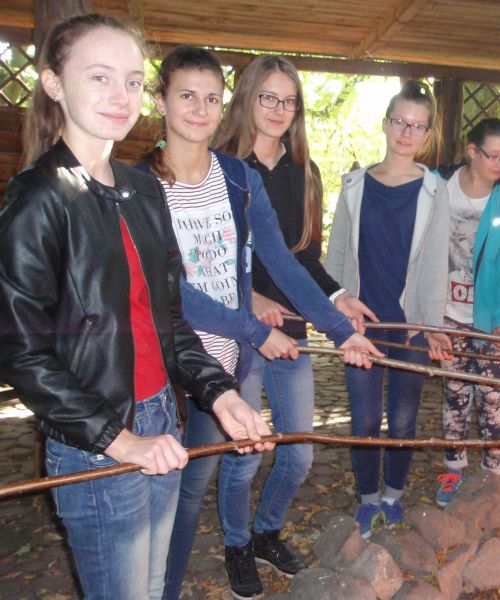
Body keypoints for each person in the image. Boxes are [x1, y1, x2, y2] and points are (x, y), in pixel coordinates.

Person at [0, 15, 271, 600]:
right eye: (99, 77)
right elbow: (21, 354)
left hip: (160, 418)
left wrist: (220, 393)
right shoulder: (37, 199)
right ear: (54, 84)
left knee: (152, 587)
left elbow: (168, 320)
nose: (119, 96)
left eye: (130, 81)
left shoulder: (142, 189)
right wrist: (119, 440)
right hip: (97, 441)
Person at [138, 47, 379, 600]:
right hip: (175, 365)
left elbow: (287, 265)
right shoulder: (140, 186)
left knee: (195, 481)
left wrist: (342, 330)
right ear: (161, 100)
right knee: (176, 490)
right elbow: (167, 292)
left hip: (227, 361)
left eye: (211, 98)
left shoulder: (238, 179)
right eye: (186, 95)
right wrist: (254, 326)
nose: (200, 109)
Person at [211, 55, 377, 581]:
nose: (279, 109)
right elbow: (209, 259)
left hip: (292, 331)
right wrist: (251, 298)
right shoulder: (218, 166)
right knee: (245, 452)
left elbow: (302, 256)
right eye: (269, 97)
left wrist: (339, 296)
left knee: (298, 453)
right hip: (240, 331)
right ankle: (237, 544)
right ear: (247, 98)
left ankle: (266, 533)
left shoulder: (304, 172)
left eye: (289, 100)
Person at [325, 80, 451, 538]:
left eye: (417, 126)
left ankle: (393, 496)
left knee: (402, 419)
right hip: (361, 322)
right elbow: (337, 255)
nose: (406, 132)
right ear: (385, 124)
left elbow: (435, 262)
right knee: (363, 419)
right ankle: (367, 499)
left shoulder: (435, 191)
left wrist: (431, 326)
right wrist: (337, 314)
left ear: (428, 134)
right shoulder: (355, 185)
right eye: (400, 122)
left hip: (409, 326)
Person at [433, 118, 500, 507]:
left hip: (493, 315)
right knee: (455, 392)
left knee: (493, 395)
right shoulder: (438, 187)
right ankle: (453, 469)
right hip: (448, 311)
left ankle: (494, 475)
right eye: (493, 156)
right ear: (472, 151)